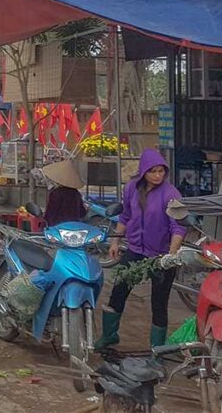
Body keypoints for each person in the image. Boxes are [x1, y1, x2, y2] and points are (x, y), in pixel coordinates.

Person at [97, 149, 185, 350]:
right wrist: (116, 242)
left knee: (159, 303)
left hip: (161, 255)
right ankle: (109, 336)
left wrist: (171, 255)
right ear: (143, 171)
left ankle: (157, 349)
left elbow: (178, 227)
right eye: (153, 171)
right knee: (118, 291)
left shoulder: (171, 194)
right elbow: (125, 216)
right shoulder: (131, 188)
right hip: (135, 250)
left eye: (161, 171)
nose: (157, 175)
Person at [41, 160, 87, 227]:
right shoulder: (76, 193)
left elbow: (50, 213)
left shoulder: (56, 193)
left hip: (58, 227)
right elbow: (82, 213)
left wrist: (44, 225)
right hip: (73, 226)